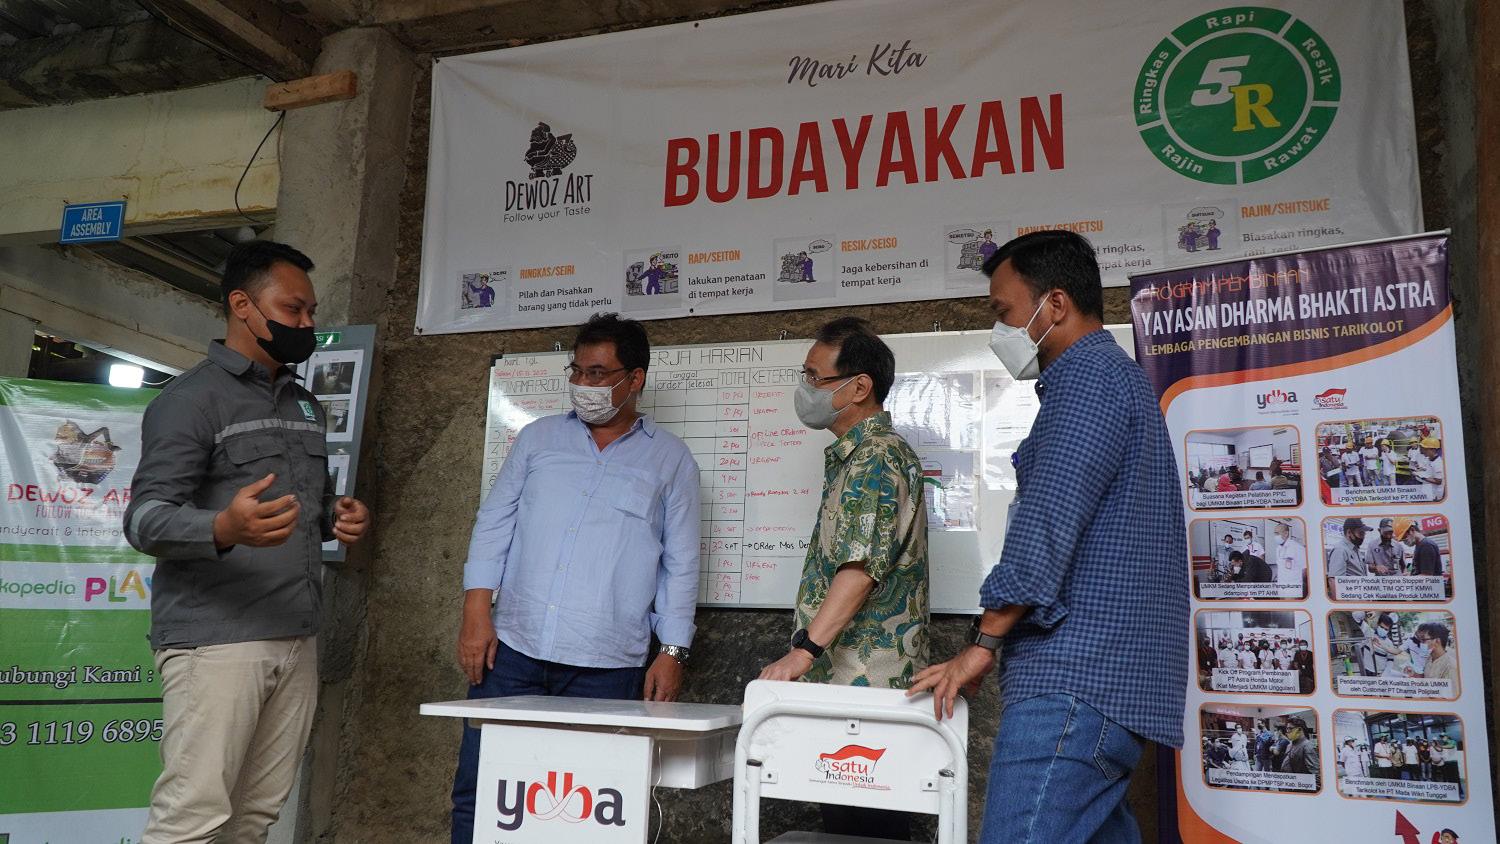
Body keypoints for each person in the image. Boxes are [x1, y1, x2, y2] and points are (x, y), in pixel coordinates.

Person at [909, 230, 1188, 843]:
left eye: (1004, 311)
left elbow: (1046, 523)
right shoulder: (1114, 380)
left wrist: (983, 642)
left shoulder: (1088, 382)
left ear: (1054, 304)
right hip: (1107, 684)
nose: (1000, 329)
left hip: (1074, 681)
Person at [123, 240, 372, 843]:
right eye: (293, 309)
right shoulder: (190, 400)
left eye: (311, 312)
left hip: (295, 635)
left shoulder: (305, 403)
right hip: (217, 641)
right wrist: (221, 528)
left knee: (254, 820)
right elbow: (144, 519)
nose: (307, 324)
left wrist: (335, 515)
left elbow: (307, 504)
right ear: (242, 305)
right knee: (192, 821)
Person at [450, 313, 700, 844]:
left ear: (635, 378)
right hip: (511, 653)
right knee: (481, 790)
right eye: (578, 371)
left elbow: (679, 563)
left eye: (598, 373)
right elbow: (493, 524)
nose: (584, 384)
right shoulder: (538, 439)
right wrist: (476, 612)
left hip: (606, 668)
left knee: (590, 805)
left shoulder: (671, 460)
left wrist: (672, 652)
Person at [757, 317, 929, 841]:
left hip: (865, 690)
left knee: (868, 827)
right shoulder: (857, 456)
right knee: (849, 827)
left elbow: (858, 570)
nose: (806, 388)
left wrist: (803, 652)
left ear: (859, 387)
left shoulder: (875, 458)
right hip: (848, 687)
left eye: (816, 377)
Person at [1326, 517, 1370, 593]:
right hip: (1351, 597)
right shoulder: (1340, 550)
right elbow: (1334, 581)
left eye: (1364, 534)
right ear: (1349, 532)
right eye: (1360, 533)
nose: (1363, 537)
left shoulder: (1355, 549)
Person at [1273, 521, 1306, 592]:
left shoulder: (1297, 547)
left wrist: (1295, 585)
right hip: (1281, 586)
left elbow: (1304, 570)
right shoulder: (1278, 548)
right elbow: (1280, 567)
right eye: (1275, 534)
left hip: (1293, 588)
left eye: (1277, 533)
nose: (1275, 536)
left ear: (1286, 533)